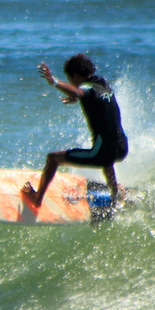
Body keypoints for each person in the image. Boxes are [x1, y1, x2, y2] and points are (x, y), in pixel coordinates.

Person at [22, 53, 128, 206]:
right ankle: (115, 193)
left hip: (104, 153)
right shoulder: (103, 84)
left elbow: (79, 91)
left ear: (76, 75)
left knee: (53, 158)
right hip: (122, 148)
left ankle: (37, 199)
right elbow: (87, 95)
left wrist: (54, 82)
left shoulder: (86, 89)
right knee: (107, 150)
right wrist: (78, 96)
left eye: (70, 79)